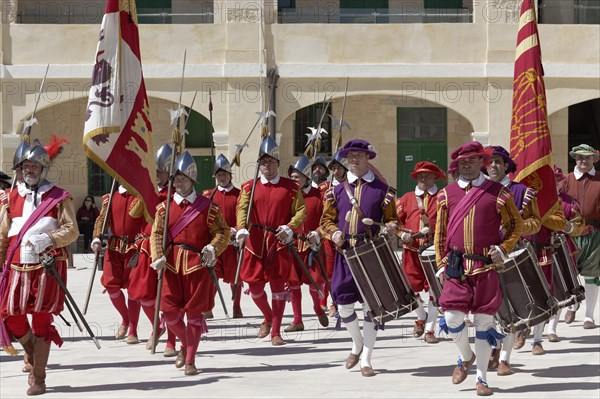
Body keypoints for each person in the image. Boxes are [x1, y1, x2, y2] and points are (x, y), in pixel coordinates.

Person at [434, 141, 523, 396]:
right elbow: (440, 233)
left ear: (481, 162)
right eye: (463, 162)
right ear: (457, 165)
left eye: (473, 161)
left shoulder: (498, 192)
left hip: (485, 266)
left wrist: (503, 248)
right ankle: (465, 356)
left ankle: (482, 379)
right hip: (456, 267)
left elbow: (515, 226)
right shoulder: (446, 194)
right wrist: (441, 263)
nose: (468, 165)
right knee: (452, 318)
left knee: (485, 324)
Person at [0, 138, 79, 395]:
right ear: (20, 169)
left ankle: (39, 378)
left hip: (46, 268)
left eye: (34, 166)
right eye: (25, 166)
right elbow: (3, 235)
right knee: (12, 318)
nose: (29, 170)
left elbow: (72, 231)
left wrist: (49, 238)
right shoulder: (10, 198)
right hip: (15, 268)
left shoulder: (59, 197)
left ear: (43, 168)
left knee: (42, 322)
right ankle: (32, 353)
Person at [318, 139, 399, 377]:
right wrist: (333, 233)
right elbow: (325, 221)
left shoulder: (383, 191)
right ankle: (357, 342)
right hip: (346, 254)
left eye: (359, 156)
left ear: (368, 159)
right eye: (350, 156)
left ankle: (366, 359)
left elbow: (393, 220)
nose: (354, 160)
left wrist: (391, 227)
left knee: (370, 308)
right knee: (342, 306)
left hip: (371, 254)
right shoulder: (336, 190)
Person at [150, 151, 229, 375]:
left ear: (192, 179)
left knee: (194, 314)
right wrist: (157, 256)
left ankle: (191, 360)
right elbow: (156, 234)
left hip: (198, 264)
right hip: (171, 264)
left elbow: (222, 231)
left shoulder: (208, 207)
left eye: (183, 178)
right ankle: (185, 344)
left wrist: (213, 248)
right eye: (175, 178)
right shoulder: (163, 207)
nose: (178, 182)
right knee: (169, 312)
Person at [236, 136, 306, 346]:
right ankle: (267, 317)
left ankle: (276, 331)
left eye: (271, 162)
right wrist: (241, 228)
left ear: (277, 164)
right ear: (259, 164)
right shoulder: (249, 187)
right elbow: (241, 208)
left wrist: (290, 227)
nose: (267, 166)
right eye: (263, 162)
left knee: (278, 288)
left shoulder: (291, 187)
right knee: (255, 287)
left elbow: (301, 210)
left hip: (279, 241)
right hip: (255, 242)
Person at [484, 146, 542, 373]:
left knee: (509, 310)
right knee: (488, 311)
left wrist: (513, 227)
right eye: (489, 162)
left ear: (506, 165)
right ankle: (493, 347)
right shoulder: (479, 192)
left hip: (512, 257)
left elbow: (536, 222)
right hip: (485, 258)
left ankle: (504, 358)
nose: (493, 166)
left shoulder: (522, 192)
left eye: (498, 161)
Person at [127, 144, 178, 355]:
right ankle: (157, 326)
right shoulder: (145, 191)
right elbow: (133, 216)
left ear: (170, 172)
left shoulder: (176, 194)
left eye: (160, 171)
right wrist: (145, 193)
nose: (157, 175)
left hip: (171, 248)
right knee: (143, 294)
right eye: (154, 171)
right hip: (147, 246)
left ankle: (172, 341)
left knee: (171, 296)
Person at [396, 161, 445, 344]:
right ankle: (420, 315)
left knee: (434, 289)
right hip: (411, 251)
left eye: (428, 175)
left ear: (435, 178)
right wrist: (401, 233)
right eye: (420, 176)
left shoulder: (442, 197)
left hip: (432, 251)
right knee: (408, 289)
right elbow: (395, 221)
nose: (423, 178)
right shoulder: (406, 198)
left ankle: (430, 329)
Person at [92, 182, 147, 344]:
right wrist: (96, 237)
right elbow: (102, 219)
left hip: (134, 247)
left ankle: (133, 330)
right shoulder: (110, 197)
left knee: (133, 289)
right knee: (110, 285)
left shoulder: (141, 195)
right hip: (114, 246)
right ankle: (125, 318)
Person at [558, 144, 600, 330]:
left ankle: (589, 316)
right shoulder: (566, 181)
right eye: (579, 157)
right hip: (570, 234)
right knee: (569, 273)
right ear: (575, 159)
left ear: (594, 159)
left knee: (591, 275)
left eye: (587, 157)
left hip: (594, 233)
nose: (583, 161)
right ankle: (572, 305)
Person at [285, 155, 329, 332]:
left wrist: (318, 234)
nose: (294, 180)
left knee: (315, 283)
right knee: (293, 283)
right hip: (293, 245)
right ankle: (297, 320)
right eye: (292, 177)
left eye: (297, 177)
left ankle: (318, 308)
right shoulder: (288, 196)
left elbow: (326, 220)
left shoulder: (319, 196)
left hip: (313, 247)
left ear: (306, 177)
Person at [542, 166, 586, 343]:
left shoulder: (569, 202)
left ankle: (552, 328)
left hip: (562, 250)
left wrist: (568, 227)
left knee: (559, 290)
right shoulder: (532, 201)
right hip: (538, 250)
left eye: (554, 179)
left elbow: (579, 226)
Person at [202, 154, 243, 319]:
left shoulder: (240, 194)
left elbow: (243, 216)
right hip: (216, 242)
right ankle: (208, 307)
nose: (222, 177)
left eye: (224, 174)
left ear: (230, 175)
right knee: (212, 276)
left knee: (236, 276)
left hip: (232, 242)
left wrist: (236, 230)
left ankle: (236, 306)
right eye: (219, 175)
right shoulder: (208, 196)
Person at [318, 150, 348, 315]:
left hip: (346, 234)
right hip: (329, 234)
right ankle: (330, 302)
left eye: (338, 168)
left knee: (345, 271)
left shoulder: (353, 186)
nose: (335, 171)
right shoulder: (325, 188)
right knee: (329, 270)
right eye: (333, 168)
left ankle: (338, 301)